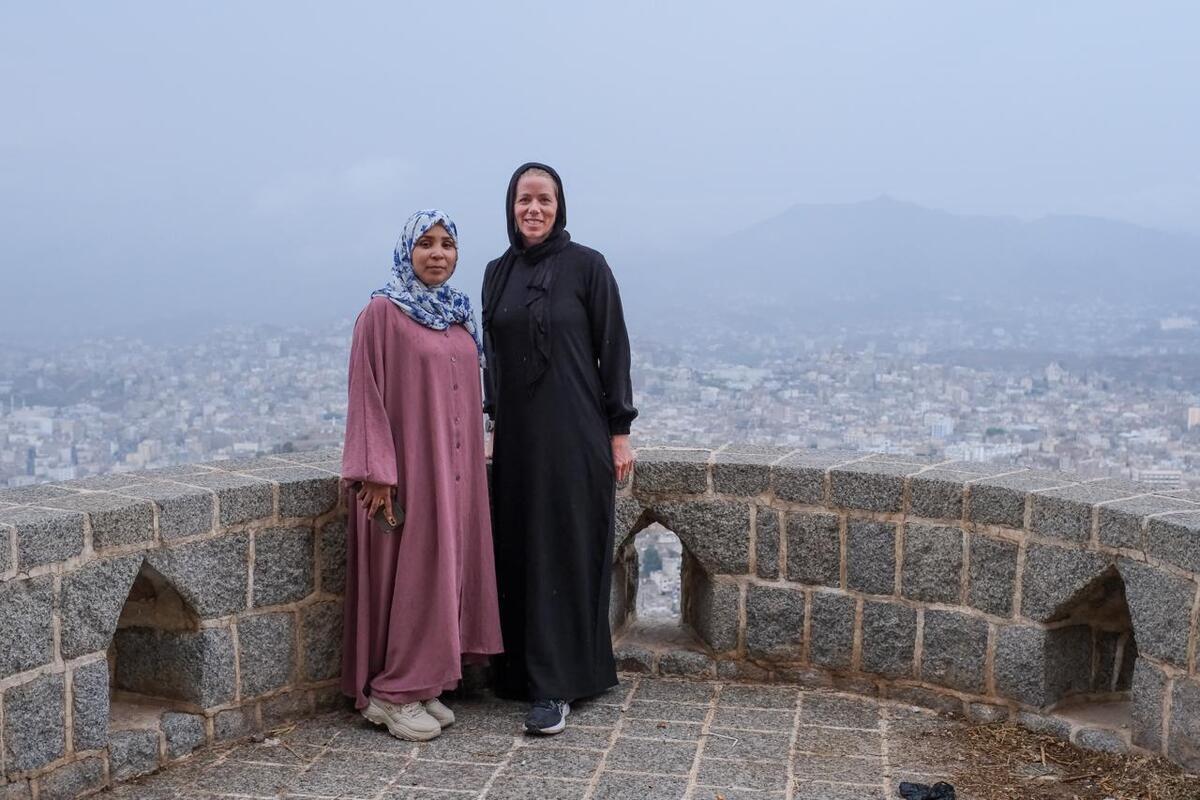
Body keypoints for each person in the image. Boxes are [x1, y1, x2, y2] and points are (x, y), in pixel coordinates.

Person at [482, 163, 637, 735]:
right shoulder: (496, 273)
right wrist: (493, 424)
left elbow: (613, 348)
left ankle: (560, 684)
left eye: (544, 200)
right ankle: (520, 671)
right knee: (520, 547)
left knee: (565, 550)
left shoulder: (588, 267)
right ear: (510, 206)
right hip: (518, 440)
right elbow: (491, 360)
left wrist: (619, 430)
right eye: (524, 200)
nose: (534, 210)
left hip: (575, 434)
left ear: (560, 206)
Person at [341, 209, 503, 741]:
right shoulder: (383, 312)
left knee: (444, 574)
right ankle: (390, 693)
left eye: (447, 244)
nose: (437, 253)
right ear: (407, 250)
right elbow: (366, 393)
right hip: (404, 475)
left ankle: (425, 681)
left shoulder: (456, 314)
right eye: (426, 243)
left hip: (454, 474)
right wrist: (376, 471)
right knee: (411, 578)